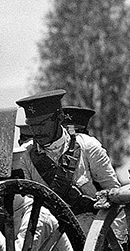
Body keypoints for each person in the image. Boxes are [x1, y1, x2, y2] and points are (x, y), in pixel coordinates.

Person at [17, 90, 123, 218]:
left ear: (60, 118)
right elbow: (25, 205)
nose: (37, 131)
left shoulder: (88, 146)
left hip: (89, 229)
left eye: (42, 124)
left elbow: (114, 194)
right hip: (47, 229)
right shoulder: (24, 154)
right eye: (32, 125)